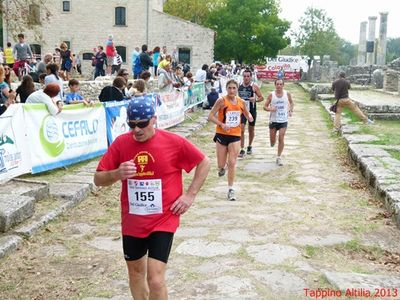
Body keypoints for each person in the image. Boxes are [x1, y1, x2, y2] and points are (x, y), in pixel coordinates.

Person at [93, 97, 210, 300]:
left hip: (164, 218)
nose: (136, 130)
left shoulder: (173, 142)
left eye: (142, 124)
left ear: (154, 119)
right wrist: (117, 174)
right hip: (133, 221)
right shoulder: (121, 144)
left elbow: (204, 162)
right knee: (136, 273)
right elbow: (98, 179)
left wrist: (190, 195)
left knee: (155, 279)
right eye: (132, 124)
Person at [208, 79, 253, 201]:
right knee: (221, 165)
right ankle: (223, 167)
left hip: (235, 135)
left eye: (234, 88)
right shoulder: (221, 100)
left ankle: (231, 189)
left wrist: (249, 116)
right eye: (229, 88)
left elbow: (247, 113)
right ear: (226, 89)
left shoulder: (241, 102)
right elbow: (210, 116)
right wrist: (221, 124)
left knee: (232, 163)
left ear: (237, 89)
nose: (232, 90)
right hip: (221, 134)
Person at [263, 79, 294, 166]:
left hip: (283, 119)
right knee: (272, 142)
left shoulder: (287, 94)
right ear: (275, 85)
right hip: (273, 120)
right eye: (277, 84)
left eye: (281, 84)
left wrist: (291, 110)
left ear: (283, 85)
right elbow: (264, 107)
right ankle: (273, 140)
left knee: (281, 137)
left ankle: (279, 157)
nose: (279, 86)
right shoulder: (271, 95)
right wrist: (271, 109)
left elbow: (291, 103)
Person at [238, 69, 264, 158]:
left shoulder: (254, 86)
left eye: (248, 76)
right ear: (243, 76)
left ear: (251, 77)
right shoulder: (239, 86)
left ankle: (249, 145)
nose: (246, 78)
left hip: (252, 110)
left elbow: (261, 97)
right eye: (244, 76)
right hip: (242, 111)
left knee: (251, 129)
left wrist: (255, 99)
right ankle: (242, 149)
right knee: (241, 129)